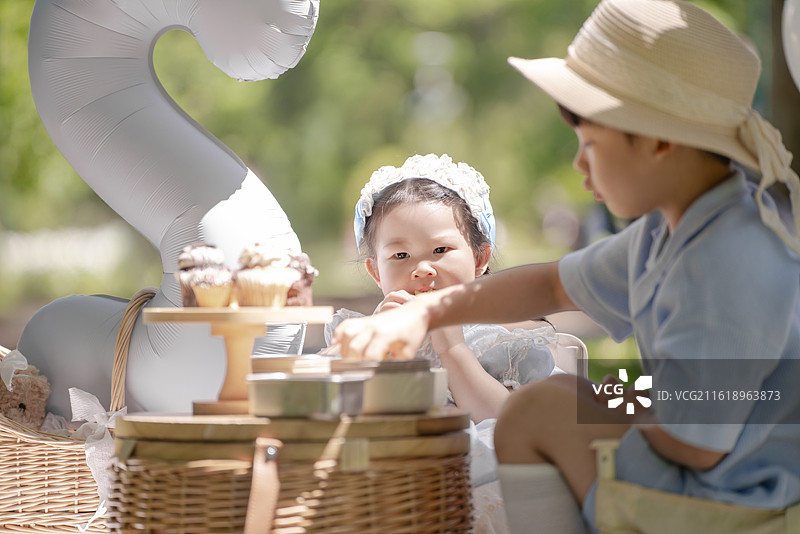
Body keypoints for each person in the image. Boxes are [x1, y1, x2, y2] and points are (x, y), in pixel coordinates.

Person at [332, 1, 800, 532]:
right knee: (548, 403)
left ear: (658, 142)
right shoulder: (664, 234)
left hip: (731, 499)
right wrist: (429, 312)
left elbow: (693, 441)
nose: (578, 164)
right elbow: (550, 283)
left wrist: (592, 403)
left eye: (591, 145)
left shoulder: (728, 262)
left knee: (542, 412)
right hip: (706, 464)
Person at [325, 152, 559, 532]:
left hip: (471, 484)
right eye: (400, 255)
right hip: (383, 484)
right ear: (375, 270)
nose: (422, 268)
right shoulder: (363, 332)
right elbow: (326, 407)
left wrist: (452, 350)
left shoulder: (497, 343)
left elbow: (508, 426)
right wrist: (374, 358)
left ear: (480, 258)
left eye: (440, 251)